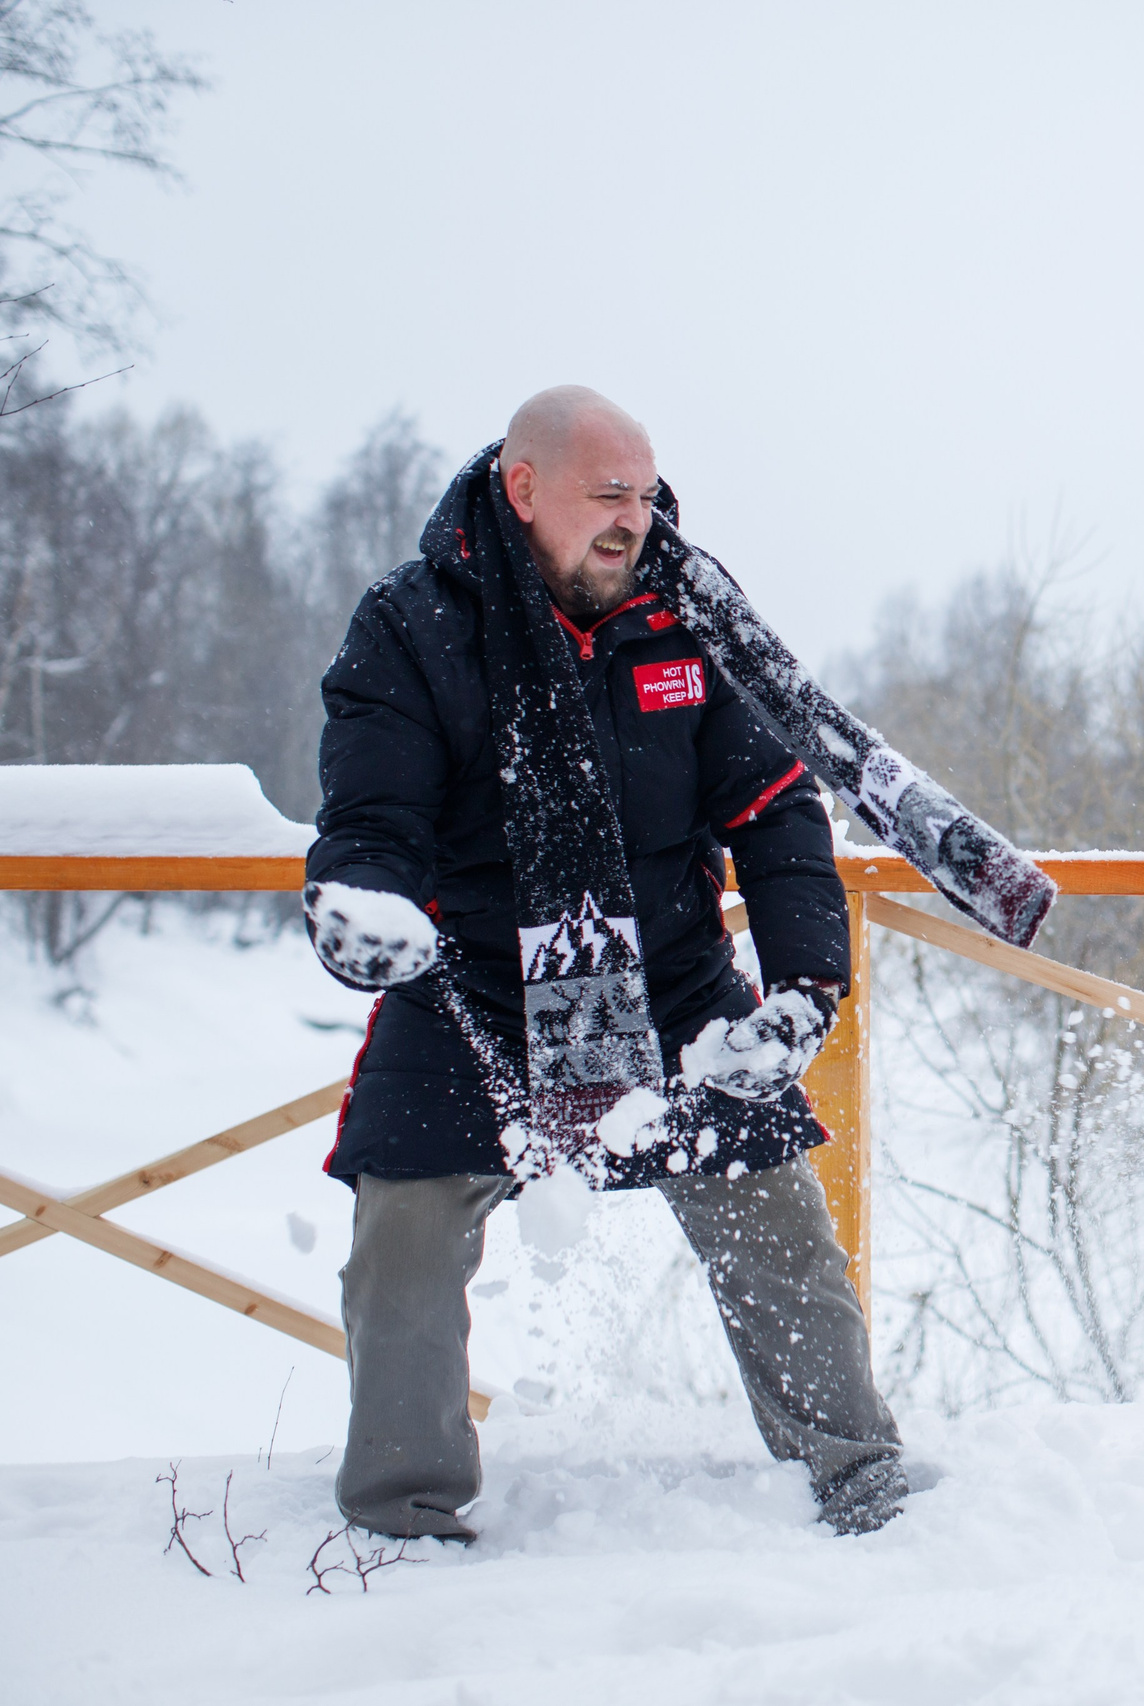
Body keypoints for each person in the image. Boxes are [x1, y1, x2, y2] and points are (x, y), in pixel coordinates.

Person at [304, 387, 914, 1542]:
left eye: (644, 493)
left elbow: (780, 807)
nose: (634, 520)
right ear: (522, 490)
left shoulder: (690, 616)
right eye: (606, 496)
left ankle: (859, 1474)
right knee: (406, 1229)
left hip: (671, 980)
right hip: (469, 985)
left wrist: (802, 988)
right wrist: (360, 906)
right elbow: (372, 812)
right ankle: (403, 1512)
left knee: (776, 1213)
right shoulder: (410, 623)